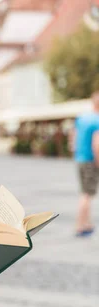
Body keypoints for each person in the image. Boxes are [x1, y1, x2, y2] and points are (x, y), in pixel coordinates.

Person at [71, 90, 99, 237]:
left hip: (80, 159)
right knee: (87, 194)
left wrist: (75, 152)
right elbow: (97, 144)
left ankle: (86, 223)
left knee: (84, 192)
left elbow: (73, 137)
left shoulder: (82, 118)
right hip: (90, 160)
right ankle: (80, 225)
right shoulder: (97, 120)